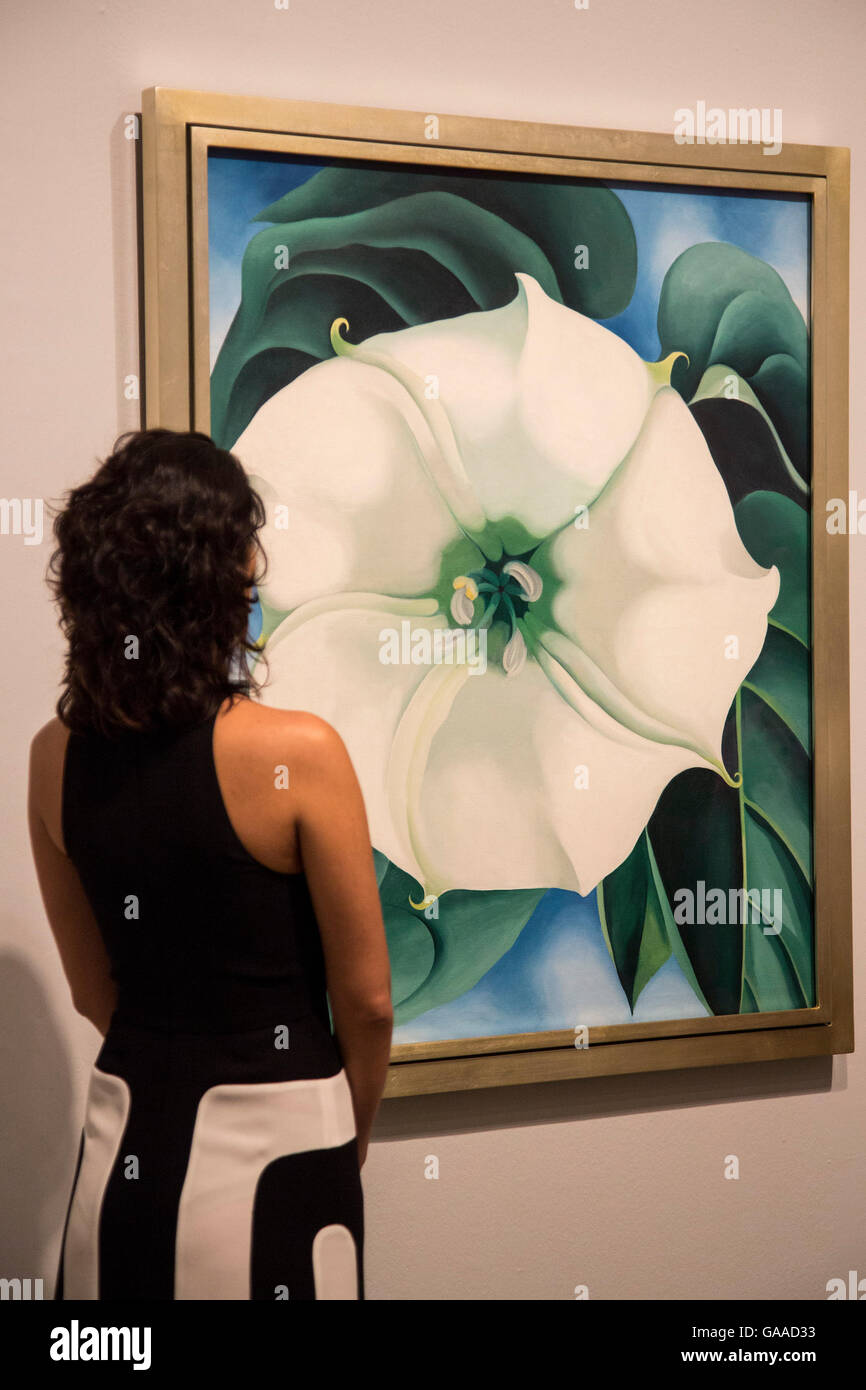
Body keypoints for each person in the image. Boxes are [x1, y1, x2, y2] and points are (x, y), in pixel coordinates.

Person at [27, 428, 393, 1300]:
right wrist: (347, 1130)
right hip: (278, 1157)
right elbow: (370, 1001)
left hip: (122, 1156)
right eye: (245, 545)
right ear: (217, 577)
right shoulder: (301, 753)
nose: (258, 566)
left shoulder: (54, 758)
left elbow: (91, 990)